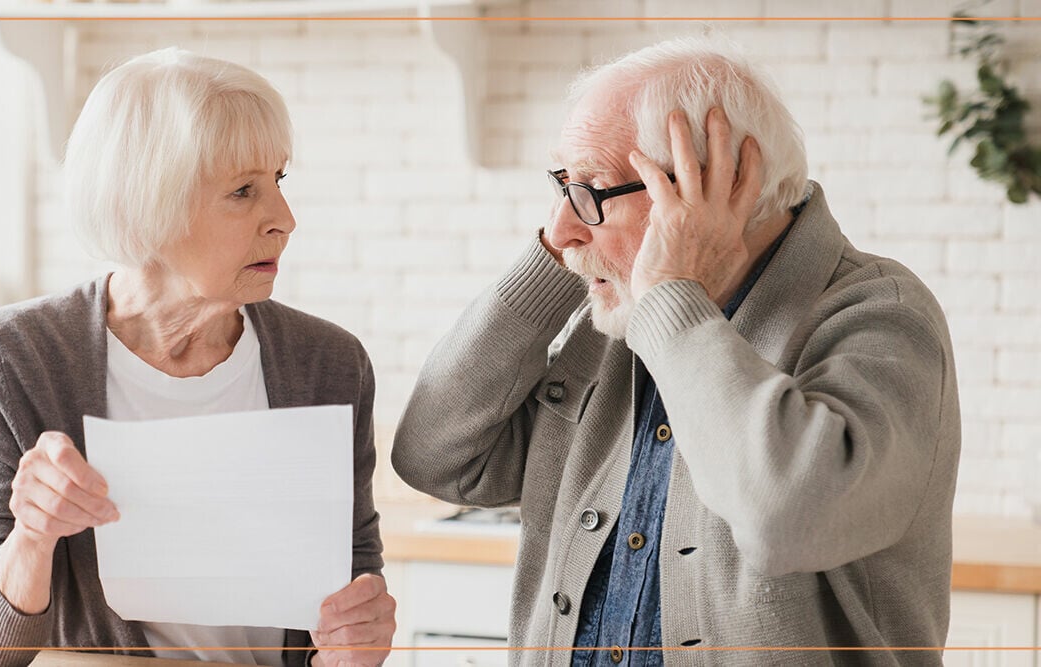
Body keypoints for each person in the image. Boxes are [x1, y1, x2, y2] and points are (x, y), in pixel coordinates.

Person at [392, 37, 960, 666]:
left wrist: (672, 299)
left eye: (591, 190)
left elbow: (788, 516)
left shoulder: (882, 316)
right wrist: (560, 265)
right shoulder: (613, 324)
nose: (557, 229)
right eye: (562, 184)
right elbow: (433, 457)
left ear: (718, 184)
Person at [0, 48, 394, 667]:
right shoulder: (17, 355)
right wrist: (32, 534)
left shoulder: (330, 364)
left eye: (278, 182)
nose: (284, 220)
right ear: (147, 203)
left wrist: (359, 641)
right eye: (243, 191)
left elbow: (352, 594)